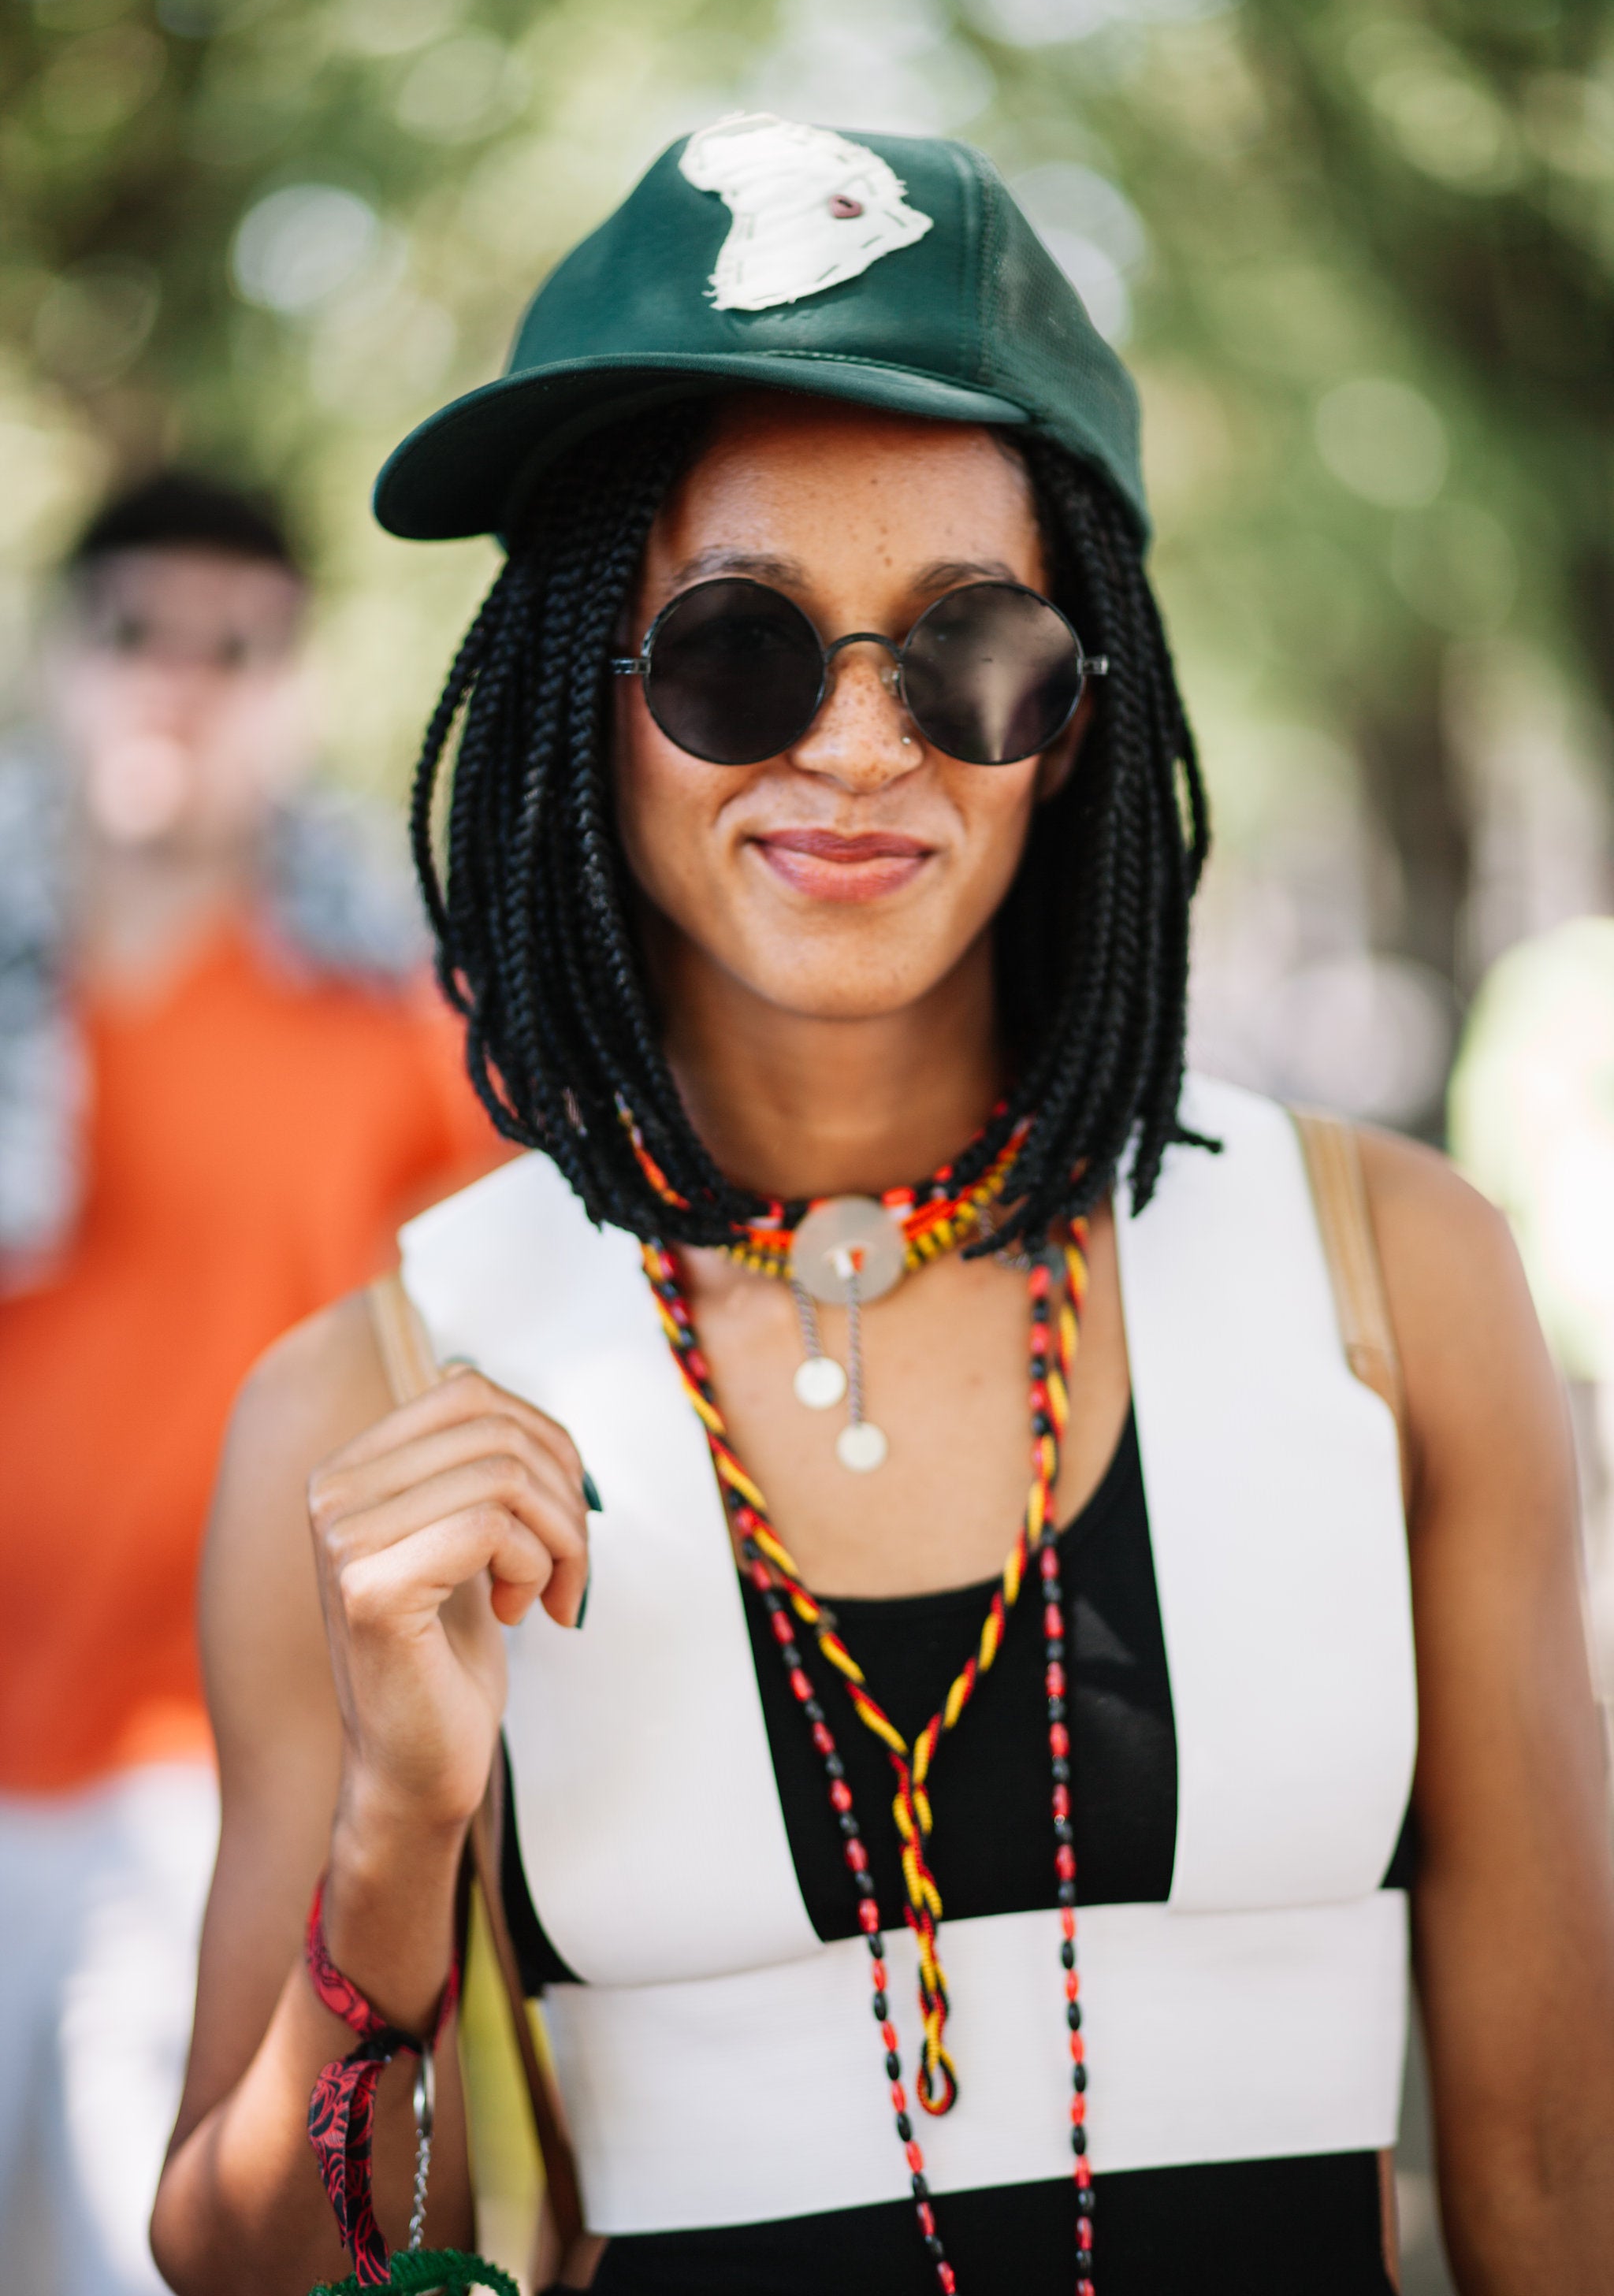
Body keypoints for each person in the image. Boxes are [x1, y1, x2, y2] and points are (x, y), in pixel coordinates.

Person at [152, 116, 1614, 2296]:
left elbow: (1560, 2178)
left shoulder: (1386, 1282)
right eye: (735, 649)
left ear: (1080, 717)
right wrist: (396, 1837)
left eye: (973, 650)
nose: (855, 749)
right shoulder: (373, 1411)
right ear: (580, 699)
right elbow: (274, 2273)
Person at [0, 472, 499, 2296]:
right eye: (139, 631)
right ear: (60, 658)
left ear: (293, 690)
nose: (181, 682)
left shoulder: (387, 1005)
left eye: (238, 647)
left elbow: (504, 1339)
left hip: (210, 1780)